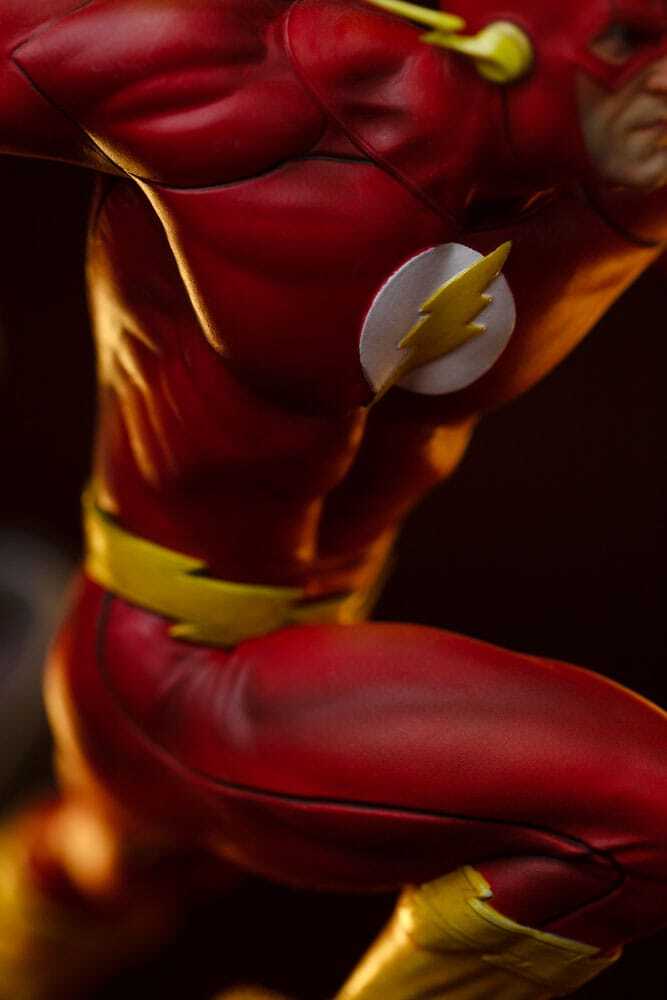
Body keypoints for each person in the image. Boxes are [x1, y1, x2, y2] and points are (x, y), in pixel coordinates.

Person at [0, 0, 666, 996]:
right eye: (627, 42)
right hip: (180, 663)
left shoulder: (618, 164)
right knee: (639, 820)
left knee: (113, 866)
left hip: (320, 627)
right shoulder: (244, 78)